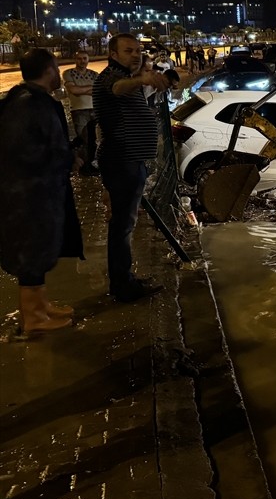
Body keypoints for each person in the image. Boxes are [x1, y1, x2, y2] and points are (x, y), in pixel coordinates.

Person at [0, 48, 84, 333]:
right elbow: (29, 150)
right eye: (57, 70)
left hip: (33, 190)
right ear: (49, 70)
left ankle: (40, 306)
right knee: (32, 251)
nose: (59, 75)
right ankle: (34, 317)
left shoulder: (24, 100)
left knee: (37, 249)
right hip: (28, 194)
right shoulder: (30, 105)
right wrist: (67, 159)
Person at [93, 33, 169, 303]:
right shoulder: (111, 77)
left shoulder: (126, 77)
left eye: (138, 50)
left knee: (124, 224)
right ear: (113, 54)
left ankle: (124, 279)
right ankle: (123, 286)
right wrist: (143, 79)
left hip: (130, 161)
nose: (136, 55)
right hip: (122, 161)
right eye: (128, 51)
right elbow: (116, 88)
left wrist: (146, 81)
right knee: (122, 226)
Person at [63, 50, 100, 172]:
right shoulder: (68, 73)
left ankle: (89, 163)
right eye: (79, 58)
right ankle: (84, 167)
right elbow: (74, 90)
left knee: (93, 140)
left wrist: (81, 89)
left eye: (85, 58)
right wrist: (91, 88)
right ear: (75, 59)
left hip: (94, 109)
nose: (82, 61)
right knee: (83, 140)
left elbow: (100, 90)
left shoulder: (94, 74)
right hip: (79, 110)